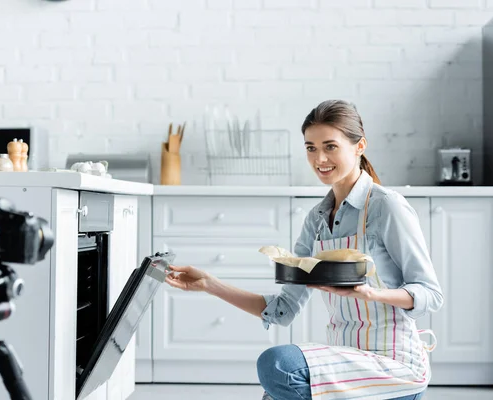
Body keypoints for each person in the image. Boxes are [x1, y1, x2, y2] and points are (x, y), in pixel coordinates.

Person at [165, 99, 444, 400]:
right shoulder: (317, 219)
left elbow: (430, 294)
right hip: (346, 360)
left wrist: (372, 293)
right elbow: (283, 309)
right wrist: (209, 284)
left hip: (393, 366)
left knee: (278, 366)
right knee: (273, 394)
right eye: (311, 148)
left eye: (330, 146)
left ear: (359, 146)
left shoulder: (386, 206)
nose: (319, 158)